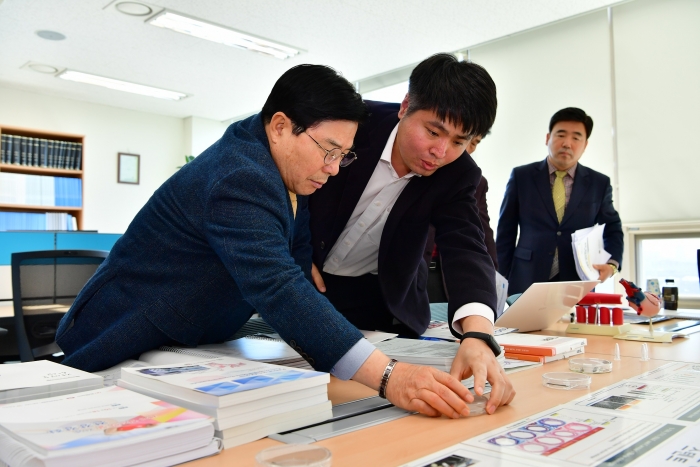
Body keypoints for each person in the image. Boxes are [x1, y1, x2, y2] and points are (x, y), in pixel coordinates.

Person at [56, 64, 485, 419]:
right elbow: (277, 286)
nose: (335, 169)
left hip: (190, 345)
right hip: (124, 333)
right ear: (280, 126)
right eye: (329, 151)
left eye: (343, 156)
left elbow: (295, 254)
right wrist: (390, 376)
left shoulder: (289, 169)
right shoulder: (242, 175)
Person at [308, 54, 515, 412]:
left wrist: (478, 333)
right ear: (406, 106)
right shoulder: (352, 124)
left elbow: (465, 246)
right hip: (307, 278)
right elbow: (287, 185)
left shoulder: (459, 173)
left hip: (377, 300)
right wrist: (293, 252)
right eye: (433, 132)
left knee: (365, 406)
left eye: (458, 141)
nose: (440, 151)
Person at [496, 107, 623, 296]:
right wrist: (501, 278)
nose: (567, 143)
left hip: (576, 280)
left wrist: (611, 264)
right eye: (561, 135)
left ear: (585, 144)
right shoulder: (522, 176)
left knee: (574, 327)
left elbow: (612, 228)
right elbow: (506, 231)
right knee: (525, 326)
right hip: (525, 276)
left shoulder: (599, 183)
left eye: (576, 138)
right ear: (548, 138)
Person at [425, 134, 497, 302]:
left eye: (474, 143)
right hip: (411, 270)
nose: (468, 148)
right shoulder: (422, 165)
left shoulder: (477, 181)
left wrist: (491, 275)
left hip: (445, 273)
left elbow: (483, 229)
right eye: (460, 141)